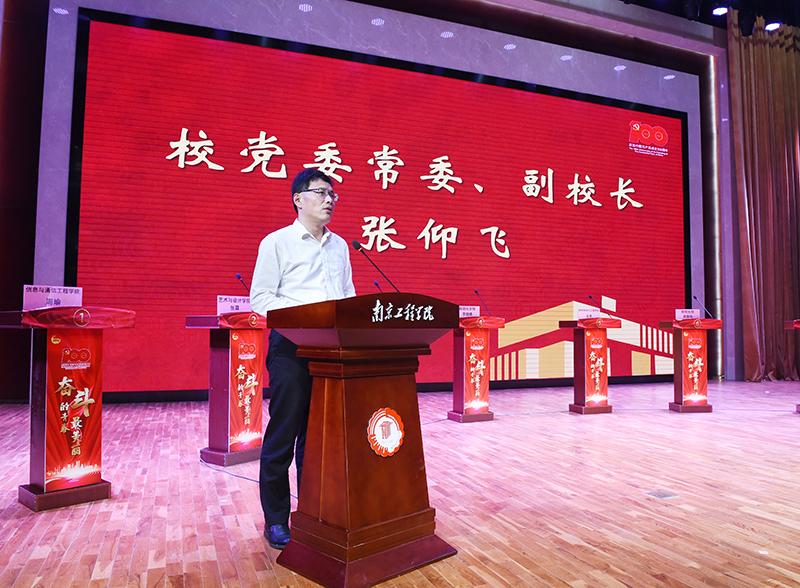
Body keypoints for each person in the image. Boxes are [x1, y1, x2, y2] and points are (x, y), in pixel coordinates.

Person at [249, 168, 356, 549]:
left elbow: (347, 296)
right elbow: (261, 298)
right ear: (299, 198)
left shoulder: (340, 246)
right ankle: (276, 519)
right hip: (291, 348)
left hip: (330, 351)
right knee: (284, 434)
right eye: (322, 193)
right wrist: (306, 317)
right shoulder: (277, 242)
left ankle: (313, 510)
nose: (329, 200)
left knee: (318, 439)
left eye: (333, 195)